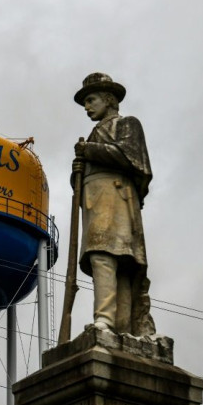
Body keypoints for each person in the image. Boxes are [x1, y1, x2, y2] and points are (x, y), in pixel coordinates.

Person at [72, 72, 156, 338]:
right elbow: (80, 182)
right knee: (106, 258)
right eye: (85, 101)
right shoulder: (94, 134)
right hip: (94, 201)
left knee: (110, 257)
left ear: (109, 99)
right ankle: (118, 326)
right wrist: (76, 172)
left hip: (116, 196)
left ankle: (107, 322)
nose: (87, 107)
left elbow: (131, 158)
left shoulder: (127, 125)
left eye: (91, 99)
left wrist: (89, 152)